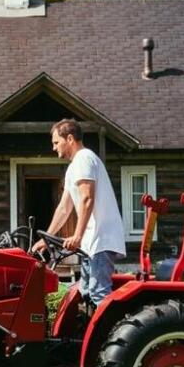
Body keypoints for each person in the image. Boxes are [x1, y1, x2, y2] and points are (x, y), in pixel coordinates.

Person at [33, 119, 126, 309]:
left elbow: (87, 199)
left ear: (70, 139)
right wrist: (47, 238)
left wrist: (77, 235)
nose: (53, 148)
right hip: (90, 243)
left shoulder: (84, 158)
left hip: (101, 240)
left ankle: (113, 336)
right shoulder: (73, 167)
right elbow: (64, 208)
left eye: (56, 142)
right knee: (84, 292)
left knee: (99, 293)